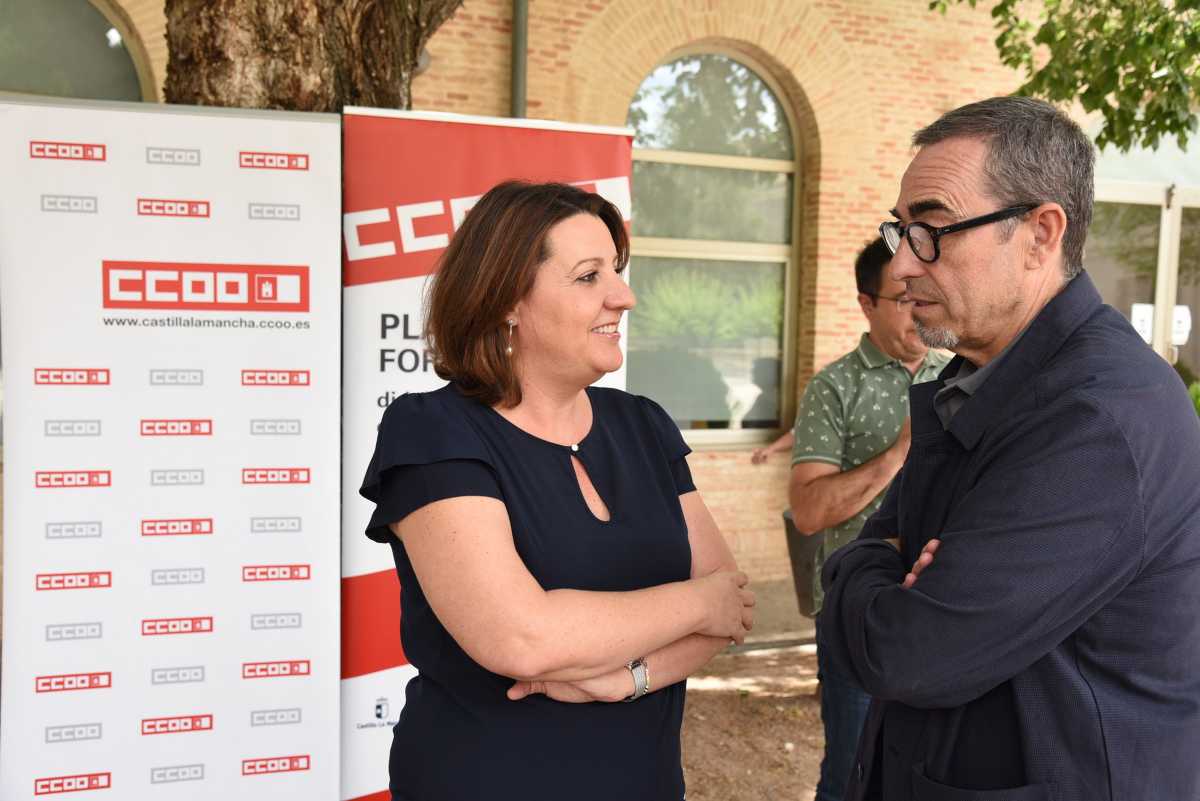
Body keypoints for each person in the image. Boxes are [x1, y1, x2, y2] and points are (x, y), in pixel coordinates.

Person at [819, 96, 1200, 801]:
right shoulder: (977, 374)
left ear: (1039, 233)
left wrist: (869, 566)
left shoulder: (1101, 416)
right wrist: (879, 561)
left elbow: (908, 653)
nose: (902, 266)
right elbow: (860, 561)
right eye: (901, 231)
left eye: (931, 230)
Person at [358, 180, 755, 801]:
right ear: (507, 301)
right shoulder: (433, 430)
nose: (623, 297)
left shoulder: (643, 424)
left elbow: (733, 607)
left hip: (644, 782)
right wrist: (696, 603)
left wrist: (627, 679)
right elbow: (522, 638)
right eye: (588, 277)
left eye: (616, 273)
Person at [788, 237, 949, 801]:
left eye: (923, 292)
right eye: (903, 297)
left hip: (940, 609)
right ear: (866, 304)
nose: (919, 307)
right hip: (858, 612)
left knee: (928, 769)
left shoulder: (959, 374)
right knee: (853, 770)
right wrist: (897, 455)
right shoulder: (834, 388)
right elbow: (808, 512)